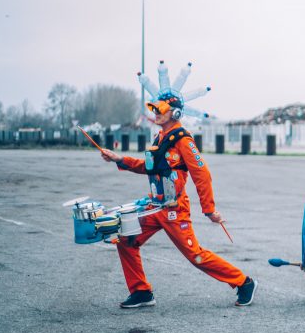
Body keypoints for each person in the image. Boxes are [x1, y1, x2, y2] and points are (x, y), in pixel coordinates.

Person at [100, 93, 257, 308]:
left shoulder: (183, 140)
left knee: (195, 256)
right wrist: (120, 159)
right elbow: (149, 166)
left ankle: (243, 282)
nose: (155, 113)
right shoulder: (161, 138)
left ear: (175, 113)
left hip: (174, 209)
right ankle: (141, 292)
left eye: (160, 109)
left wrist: (209, 209)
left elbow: (201, 174)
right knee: (126, 242)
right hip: (154, 206)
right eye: (154, 109)